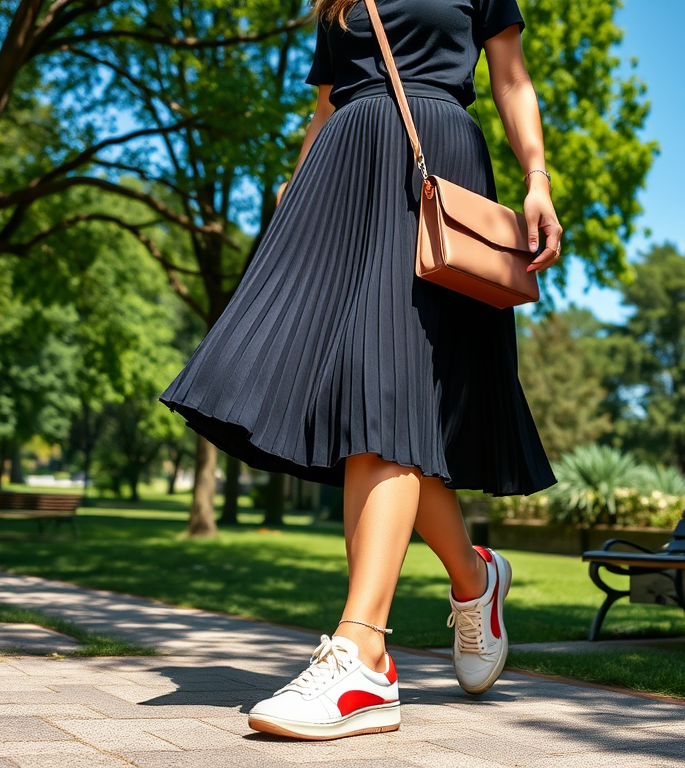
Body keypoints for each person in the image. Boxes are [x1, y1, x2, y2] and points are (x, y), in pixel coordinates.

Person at [159, 0, 562, 741]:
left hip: (430, 166)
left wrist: (536, 178)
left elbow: (510, 77)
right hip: (343, 178)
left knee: (386, 392)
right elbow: (324, 105)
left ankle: (364, 658)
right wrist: (294, 193)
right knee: (363, 406)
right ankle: (474, 579)